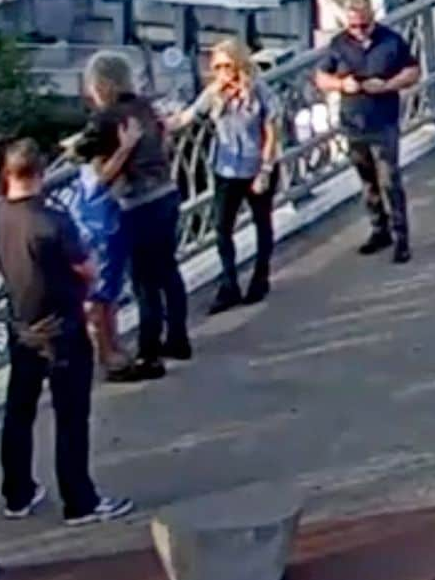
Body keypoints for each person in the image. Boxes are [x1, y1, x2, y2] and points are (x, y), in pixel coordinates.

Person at [0, 138, 133, 525]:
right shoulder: (52, 221)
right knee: (71, 415)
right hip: (62, 326)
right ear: (40, 174)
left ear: (7, 174)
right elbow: (86, 268)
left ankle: (17, 493)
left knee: (19, 411)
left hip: (21, 326)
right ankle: (79, 500)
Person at [83, 50, 191, 381]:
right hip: (167, 193)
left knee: (144, 281)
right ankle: (178, 338)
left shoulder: (106, 118)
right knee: (168, 270)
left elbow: (86, 156)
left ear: (100, 84)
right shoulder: (145, 107)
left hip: (137, 203)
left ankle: (149, 350)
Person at [168, 38, 280, 316]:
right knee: (221, 227)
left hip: (256, 166)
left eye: (227, 66)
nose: (222, 72)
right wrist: (157, 125)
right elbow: (187, 118)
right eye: (217, 67)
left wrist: (265, 170)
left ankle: (260, 276)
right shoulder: (215, 93)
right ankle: (229, 283)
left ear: (240, 63)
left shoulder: (261, 92)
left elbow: (271, 133)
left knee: (261, 223)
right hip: (226, 168)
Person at [315, 0, 421, 264]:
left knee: (390, 180)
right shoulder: (339, 44)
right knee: (367, 181)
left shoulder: (391, 40)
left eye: (364, 25)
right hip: (354, 121)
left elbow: (413, 71)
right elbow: (321, 78)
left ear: (373, 20)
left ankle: (401, 238)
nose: (359, 31)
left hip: (383, 120)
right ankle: (379, 229)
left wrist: (386, 85)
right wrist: (342, 85)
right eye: (354, 27)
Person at [66, 122, 144, 377]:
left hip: (109, 233)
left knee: (109, 296)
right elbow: (105, 176)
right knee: (99, 299)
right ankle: (105, 352)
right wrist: (126, 146)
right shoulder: (91, 174)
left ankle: (113, 344)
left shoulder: (90, 171)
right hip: (98, 238)